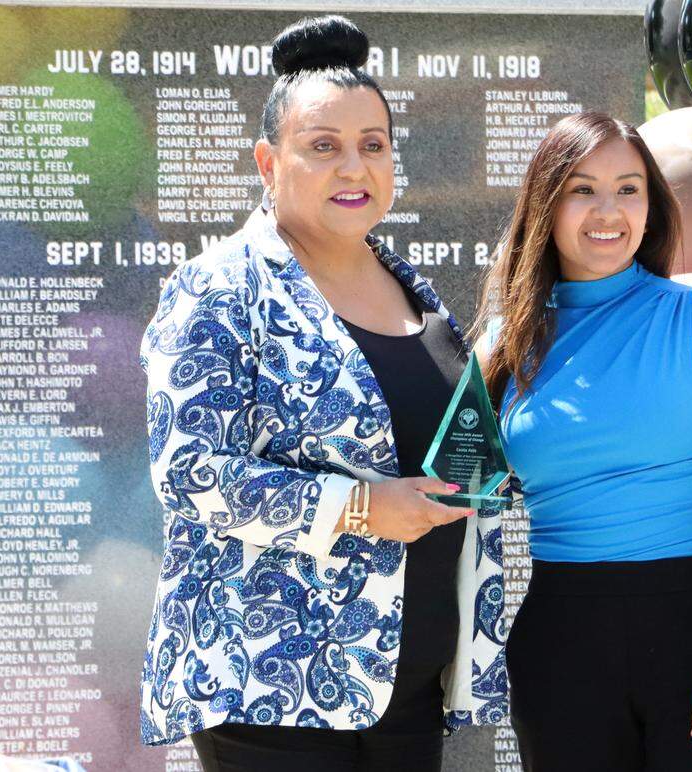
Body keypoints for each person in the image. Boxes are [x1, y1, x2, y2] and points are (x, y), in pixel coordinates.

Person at [138, 16, 507, 771]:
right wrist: (367, 509)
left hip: (405, 689)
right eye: (323, 146)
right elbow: (189, 472)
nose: (353, 167)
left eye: (373, 145)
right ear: (269, 162)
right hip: (273, 686)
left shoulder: (415, 293)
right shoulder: (218, 287)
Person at [475, 111, 692, 771]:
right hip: (563, 642)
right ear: (546, 205)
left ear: (650, 206)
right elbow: (457, 493)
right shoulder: (504, 349)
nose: (607, 210)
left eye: (629, 188)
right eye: (582, 189)